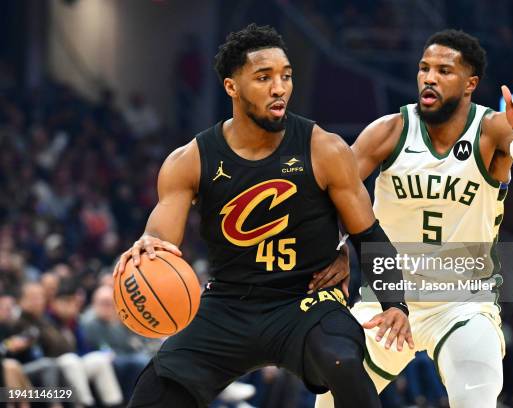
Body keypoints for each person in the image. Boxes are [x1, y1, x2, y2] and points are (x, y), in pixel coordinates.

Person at [113, 24, 411, 408]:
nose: (279, 88)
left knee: (345, 360)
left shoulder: (324, 148)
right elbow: (162, 239)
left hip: (306, 302)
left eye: (286, 76)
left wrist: (396, 303)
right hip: (228, 304)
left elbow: (367, 234)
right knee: (153, 393)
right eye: (263, 77)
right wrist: (149, 247)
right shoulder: (189, 160)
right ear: (231, 87)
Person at [316, 29, 513, 408]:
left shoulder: (492, 129)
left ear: (469, 84)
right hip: (387, 299)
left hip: (463, 303)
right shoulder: (389, 131)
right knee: (331, 400)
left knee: (475, 395)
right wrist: (336, 246)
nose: (429, 77)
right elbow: (335, 192)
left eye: (444, 70)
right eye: (424, 68)